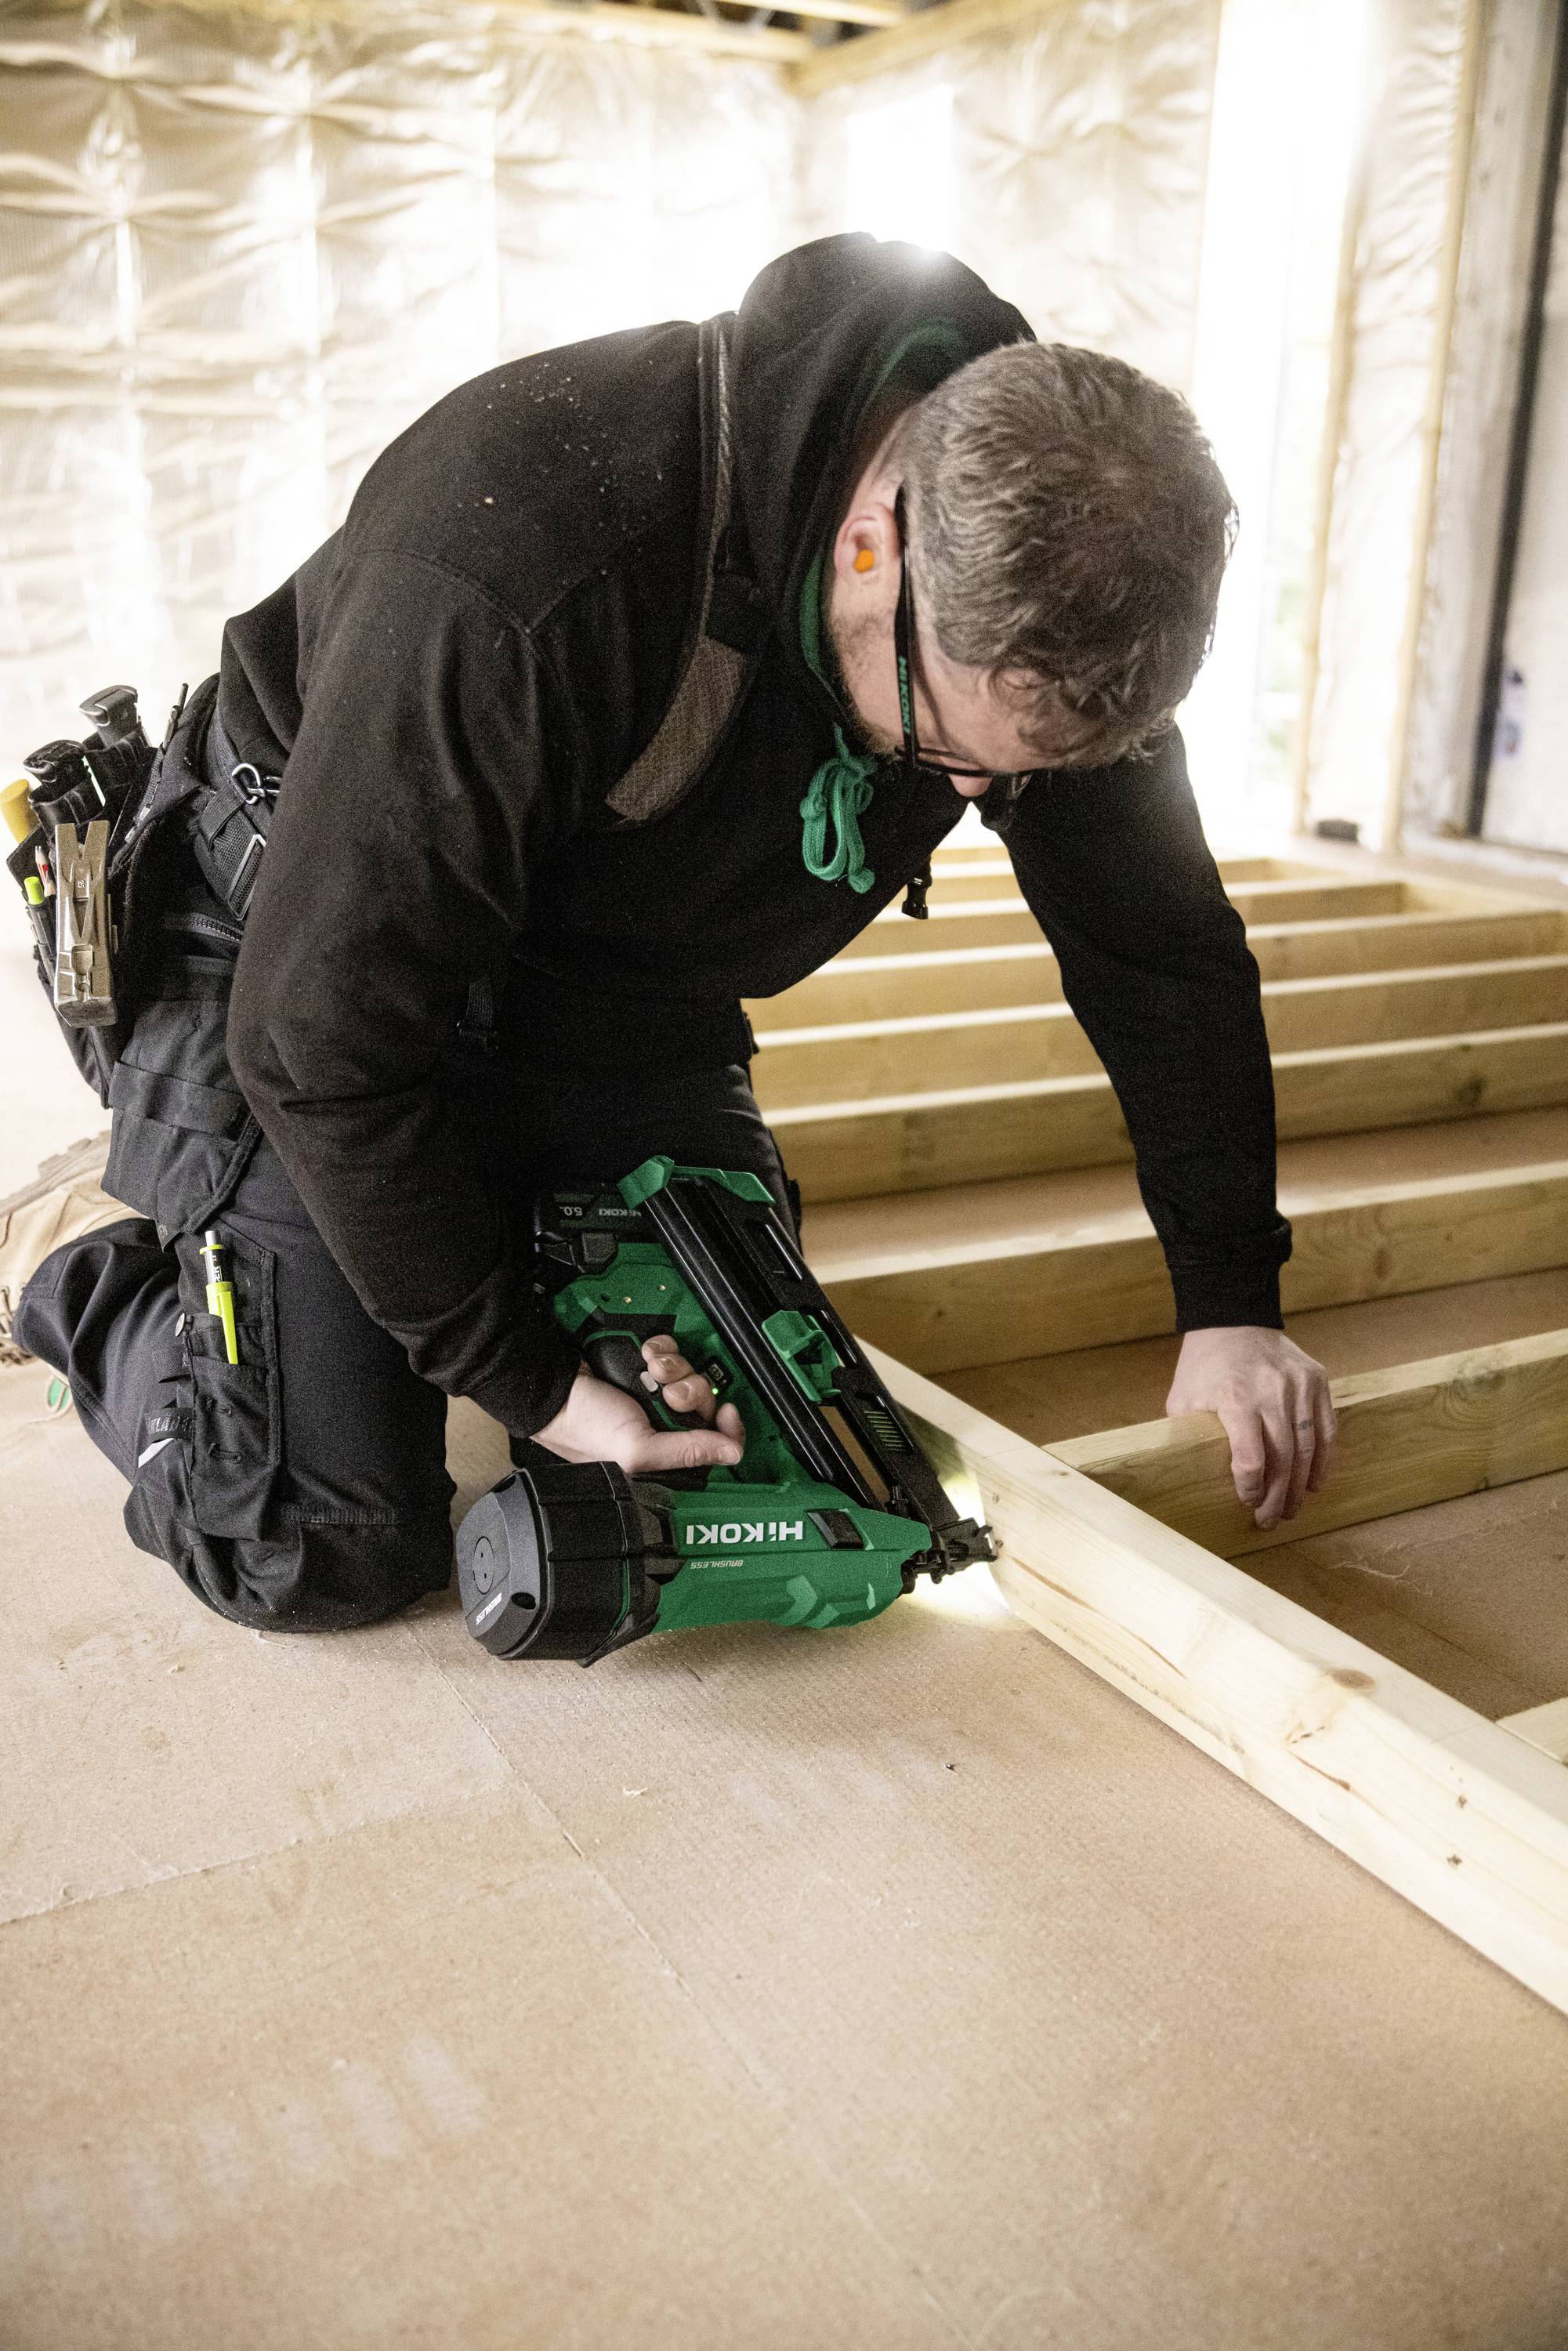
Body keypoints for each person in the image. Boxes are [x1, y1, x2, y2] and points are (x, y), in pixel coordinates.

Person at [6, 232, 1334, 1633]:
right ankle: (75, 1238)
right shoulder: (526, 560)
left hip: (612, 979)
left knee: (744, 1421)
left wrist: (1231, 1300)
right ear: (869, 543)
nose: (983, 800)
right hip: (302, 939)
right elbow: (322, 1035)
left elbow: (1162, 958)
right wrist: (524, 1378)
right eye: (952, 756)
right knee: (318, 1540)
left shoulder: (1063, 581)